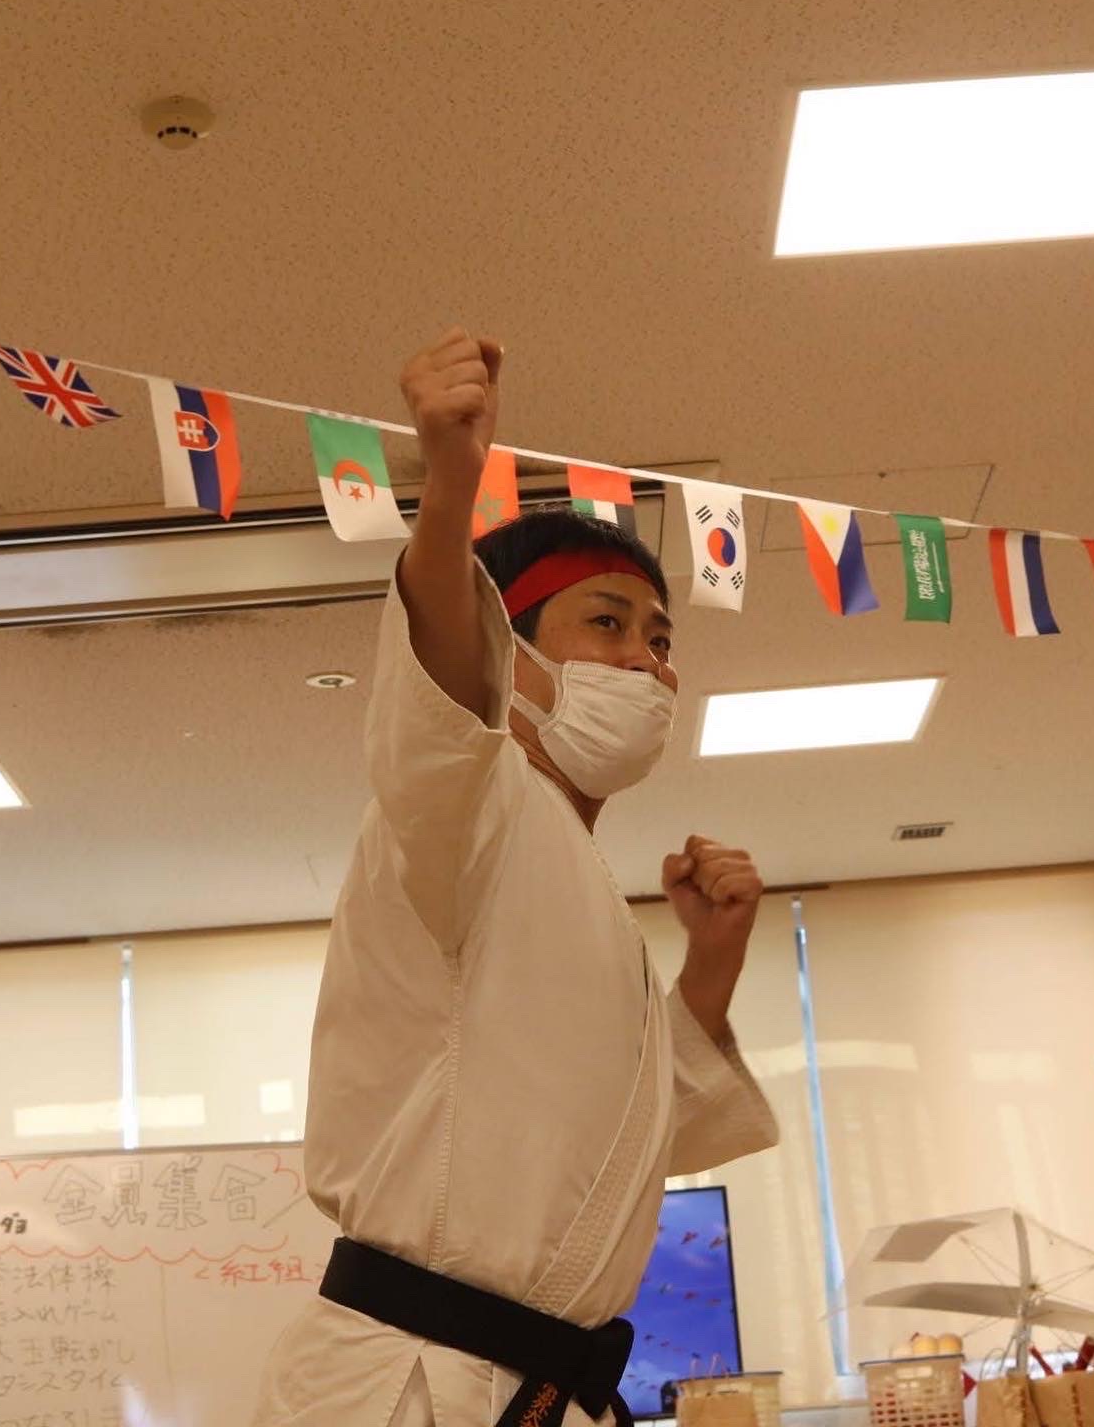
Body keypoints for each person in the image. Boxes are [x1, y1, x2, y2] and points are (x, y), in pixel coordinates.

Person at [257, 330, 779, 1427]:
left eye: (661, 638)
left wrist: (713, 962)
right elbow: (443, 680)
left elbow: (617, 1150)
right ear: (514, 655)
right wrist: (450, 486)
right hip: (413, 1384)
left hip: (527, 1384)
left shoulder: (570, 875)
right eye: (607, 623)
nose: (648, 661)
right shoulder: (466, 802)